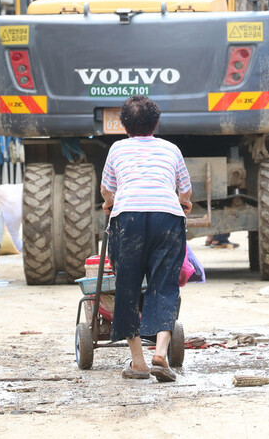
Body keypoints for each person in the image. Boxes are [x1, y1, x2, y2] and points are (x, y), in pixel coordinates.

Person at [100, 95, 192, 383]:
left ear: (123, 124)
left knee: (127, 288)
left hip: (128, 219)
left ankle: (138, 362)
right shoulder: (171, 149)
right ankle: (161, 355)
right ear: (156, 123)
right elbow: (185, 191)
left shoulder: (117, 149)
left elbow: (107, 190)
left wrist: (108, 203)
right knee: (164, 285)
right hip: (168, 217)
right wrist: (183, 203)